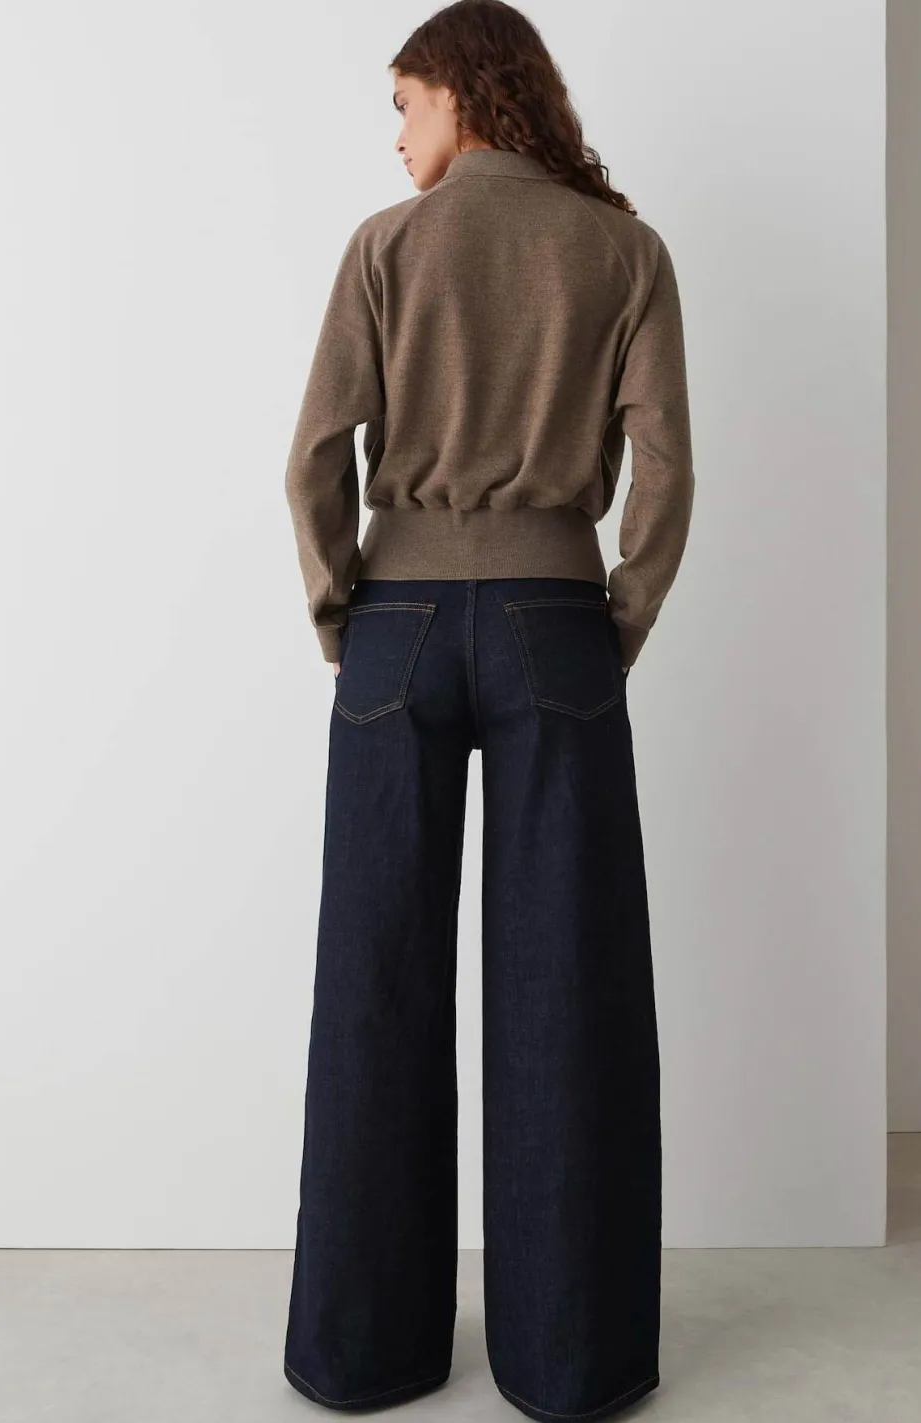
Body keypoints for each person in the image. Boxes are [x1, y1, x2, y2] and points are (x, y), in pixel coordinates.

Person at [281, 3, 696, 1420]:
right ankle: (569, 1360)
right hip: (554, 623)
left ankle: (363, 1351)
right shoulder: (624, 251)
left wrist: (341, 611)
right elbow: (666, 469)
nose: (398, 136)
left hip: (395, 629)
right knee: (568, 987)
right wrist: (614, 619)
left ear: (464, 92)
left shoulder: (387, 247)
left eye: (406, 103)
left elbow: (314, 454)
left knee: (374, 983)